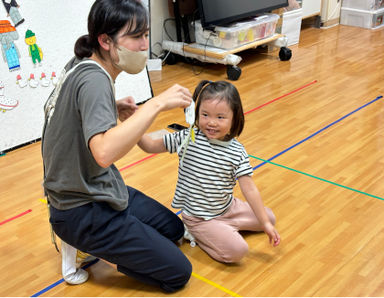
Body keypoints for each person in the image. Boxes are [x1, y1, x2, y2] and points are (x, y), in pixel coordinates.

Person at [41, 0, 193, 292]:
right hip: (79, 209)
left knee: (173, 230)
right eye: (136, 37)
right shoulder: (95, 79)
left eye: (147, 34)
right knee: (177, 274)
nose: (144, 44)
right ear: (105, 41)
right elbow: (104, 152)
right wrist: (157, 104)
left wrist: (110, 106)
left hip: (97, 188)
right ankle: (87, 245)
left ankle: (101, 241)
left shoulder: (83, 62)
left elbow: (64, 112)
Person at [138, 80, 281, 263]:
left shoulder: (237, 151)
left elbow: (250, 189)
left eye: (220, 117)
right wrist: (132, 123)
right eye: (205, 115)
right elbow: (150, 146)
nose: (211, 123)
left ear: (235, 118)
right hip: (199, 218)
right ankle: (200, 233)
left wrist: (266, 223)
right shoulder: (188, 138)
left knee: (269, 217)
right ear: (196, 113)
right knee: (238, 251)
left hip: (228, 208)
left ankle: (225, 227)